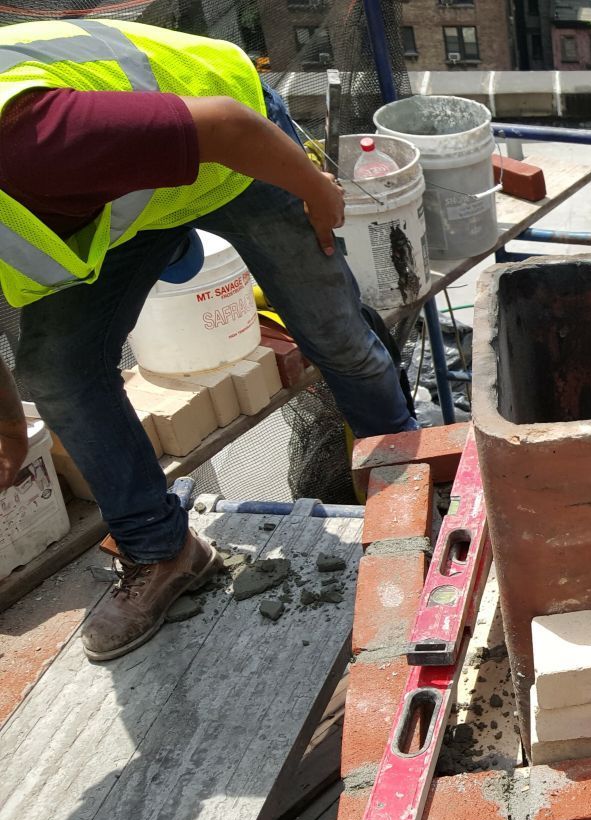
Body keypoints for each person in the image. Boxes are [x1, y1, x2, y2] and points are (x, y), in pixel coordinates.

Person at [0, 19, 417, 661]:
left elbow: (224, 125)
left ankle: (407, 483)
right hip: (122, 200)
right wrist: (7, 431)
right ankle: (163, 552)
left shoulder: (28, 137)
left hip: (234, 152)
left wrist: (316, 191)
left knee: (335, 336)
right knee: (58, 374)